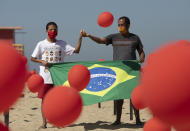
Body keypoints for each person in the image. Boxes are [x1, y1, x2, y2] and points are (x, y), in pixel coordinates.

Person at [81, 16, 145, 125]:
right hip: (119, 71)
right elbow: (101, 41)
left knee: (134, 96)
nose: (120, 27)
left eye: (122, 25)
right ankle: (118, 120)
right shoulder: (114, 37)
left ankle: (138, 120)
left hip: (132, 71)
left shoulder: (135, 38)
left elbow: (141, 52)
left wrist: (142, 58)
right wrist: (89, 35)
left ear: (128, 25)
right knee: (118, 96)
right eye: (118, 25)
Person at [31, 22, 83, 128]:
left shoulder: (62, 43)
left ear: (57, 31)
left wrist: (80, 38)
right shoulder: (41, 44)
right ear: (46, 31)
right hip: (45, 78)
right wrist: (42, 62)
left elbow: (76, 51)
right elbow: (32, 57)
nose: (53, 32)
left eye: (55, 30)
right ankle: (44, 123)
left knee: (59, 101)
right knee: (44, 100)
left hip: (58, 78)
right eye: (50, 30)